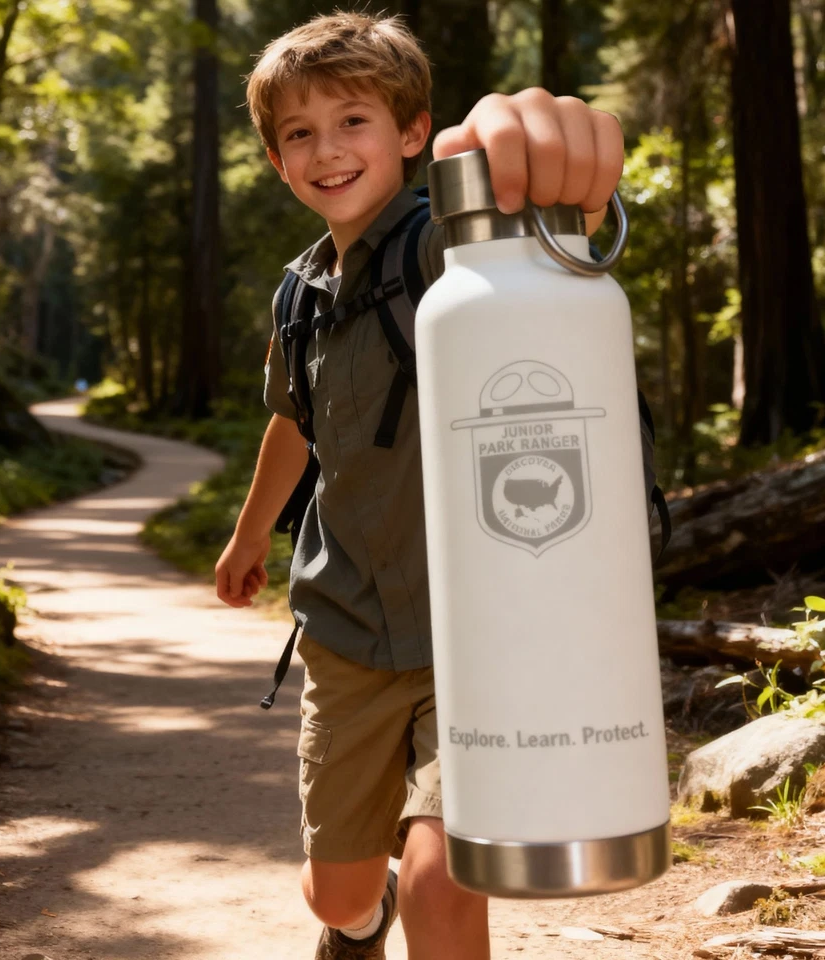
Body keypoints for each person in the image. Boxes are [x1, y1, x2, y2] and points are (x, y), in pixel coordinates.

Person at [215, 11, 624, 959]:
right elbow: (293, 421)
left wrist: (535, 151)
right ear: (279, 162)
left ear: (409, 133)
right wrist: (246, 541)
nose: (327, 150)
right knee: (336, 894)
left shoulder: (453, 245)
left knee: (448, 882)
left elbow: (549, 231)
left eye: (353, 120)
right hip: (348, 624)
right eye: (300, 135)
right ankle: (360, 921)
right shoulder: (300, 290)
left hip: (474, 639)